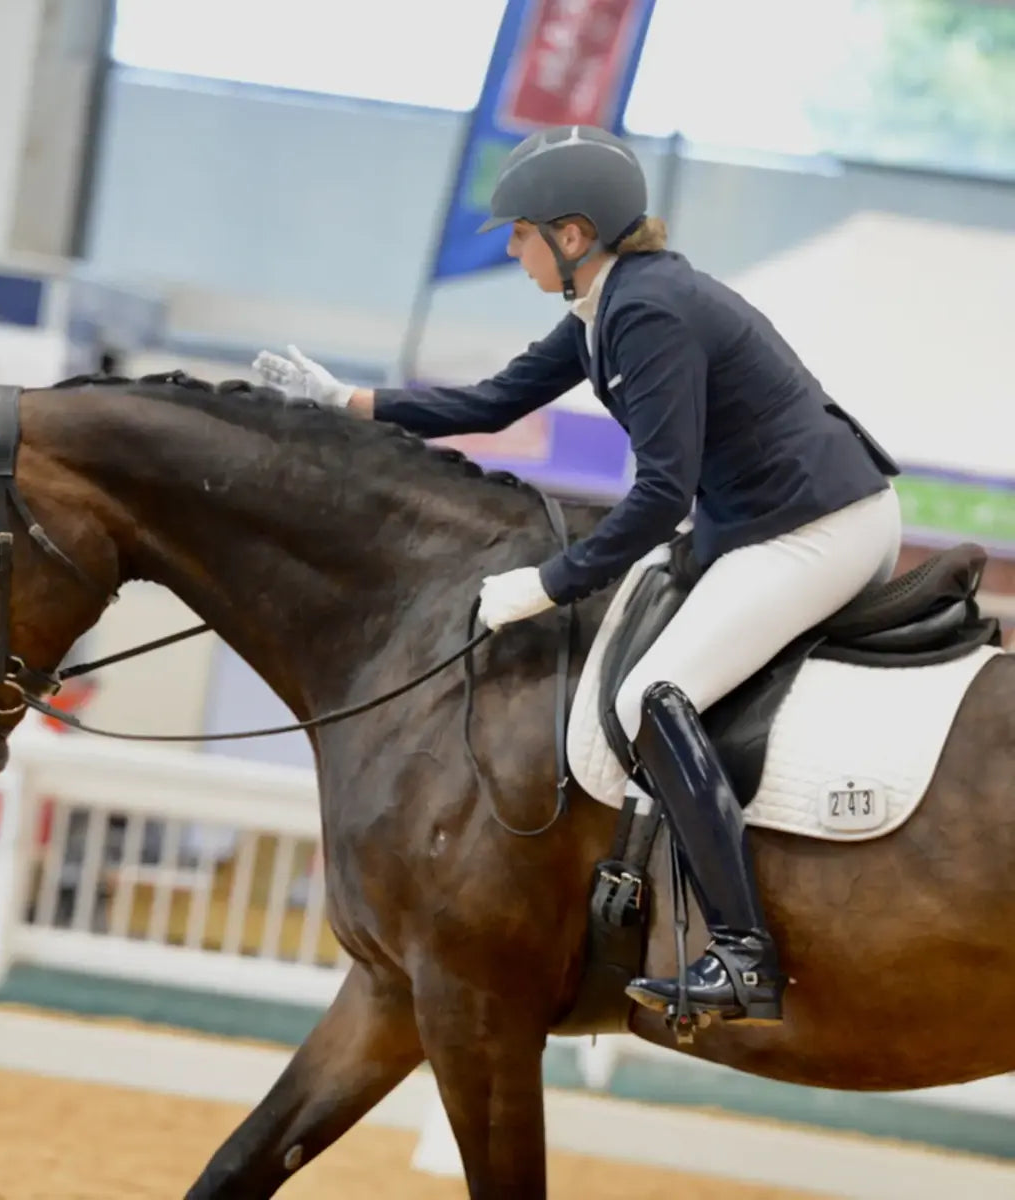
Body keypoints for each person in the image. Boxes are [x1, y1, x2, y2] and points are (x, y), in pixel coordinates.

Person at [252, 124, 903, 1026]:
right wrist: (345, 402)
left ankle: (744, 954)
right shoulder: (608, 304)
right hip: (761, 522)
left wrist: (551, 584)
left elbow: (662, 489)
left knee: (654, 694)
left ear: (571, 234)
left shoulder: (648, 311)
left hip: (816, 528)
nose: (513, 250)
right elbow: (490, 402)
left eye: (520, 234)